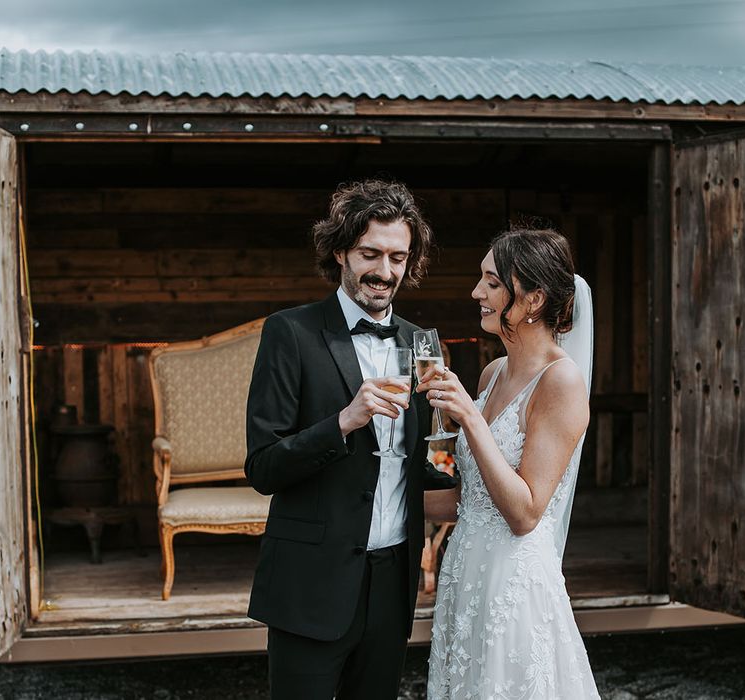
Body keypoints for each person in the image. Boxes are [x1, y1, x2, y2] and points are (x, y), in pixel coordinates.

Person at [244, 179, 455, 700]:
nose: (385, 272)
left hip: (393, 581)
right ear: (340, 250)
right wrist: (342, 421)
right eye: (370, 254)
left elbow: (429, 460)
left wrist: (461, 445)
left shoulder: (421, 342)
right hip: (310, 583)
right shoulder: (289, 333)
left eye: (398, 258)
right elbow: (263, 467)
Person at [419, 226, 600, 699]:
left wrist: (469, 419)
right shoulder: (493, 372)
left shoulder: (561, 382)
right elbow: (470, 497)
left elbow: (524, 512)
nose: (477, 292)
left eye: (493, 282)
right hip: (465, 575)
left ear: (534, 298)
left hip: (513, 586)